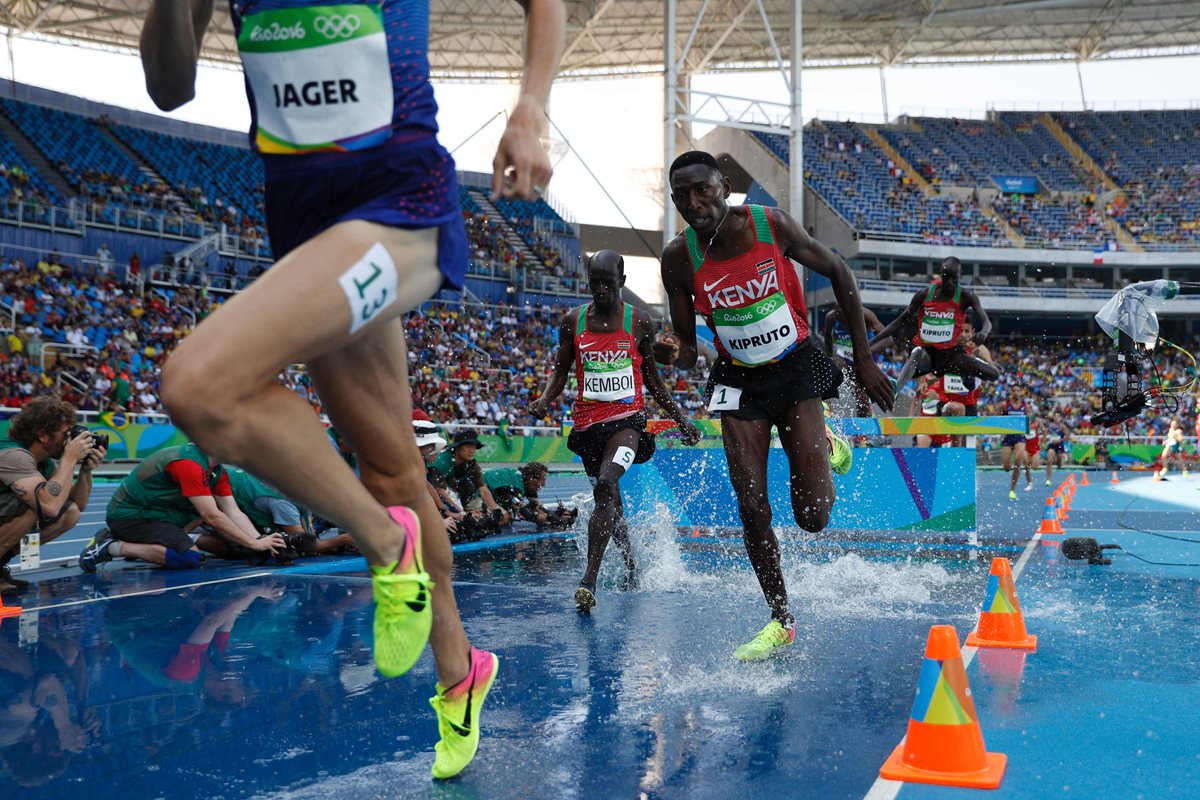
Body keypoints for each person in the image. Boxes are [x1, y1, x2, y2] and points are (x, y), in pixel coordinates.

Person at [141, 0, 564, 780]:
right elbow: (169, 88)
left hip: (401, 207)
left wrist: (531, 102)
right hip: (309, 230)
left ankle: (382, 540)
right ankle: (460, 671)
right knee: (392, 465)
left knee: (200, 387)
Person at [653, 152, 893, 661]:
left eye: (702, 190)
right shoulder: (678, 258)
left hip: (795, 365)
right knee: (750, 503)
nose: (694, 203)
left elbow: (839, 271)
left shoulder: (770, 225)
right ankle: (781, 618)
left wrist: (865, 361)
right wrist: (673, 349)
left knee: (812, 517)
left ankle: (826, 440)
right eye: (682, 196)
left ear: (724, 185)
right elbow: (689, 345)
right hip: (738, 381)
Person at [530, 250, 701, 611]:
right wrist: (545, 399)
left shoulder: (637, 322)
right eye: (595, 283)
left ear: (622, 282)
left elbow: (653, 380)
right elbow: (561, 371)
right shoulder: (572, 321)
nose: (601, 290)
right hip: (588, 426)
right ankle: (631, 563)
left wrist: (681, 418)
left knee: (607, 484)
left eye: (608, 283)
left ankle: (588, 581)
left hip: (627, 423)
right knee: (612, 505)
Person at [78, 443, 288, 572]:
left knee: (230, 542)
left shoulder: (217, 471)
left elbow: (233, 511)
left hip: (162, 516)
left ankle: (144, 545)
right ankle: (111, 546)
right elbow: (212, 516)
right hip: (132, 517)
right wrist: (253, 542)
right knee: (189, 558)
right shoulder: (189, 464)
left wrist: (261, 542)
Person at [0, 397, 106, 595]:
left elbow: (78, 504)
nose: (70, 440)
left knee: (69, 513)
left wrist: (85, 470)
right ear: (42, 435)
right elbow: (48, 505)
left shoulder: (44, 460)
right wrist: (69, 457)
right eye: (65, 434)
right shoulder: (14, 454)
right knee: (36, 506)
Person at [871, 257, 999, 412]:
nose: (950, 282)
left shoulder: (966, 296)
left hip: (952, 356)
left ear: (959, 276)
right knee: (917, 352)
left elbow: (987, 322)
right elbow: (899, 322)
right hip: (929, 356)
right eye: (946, 277)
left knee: (994, 375)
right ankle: (896, 388)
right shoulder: (924, 294)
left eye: (954, 278)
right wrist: (870, 342)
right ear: (940, 275)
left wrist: (984, 332)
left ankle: (965, 376)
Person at [822, 306, 886, 417]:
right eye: (841, 324)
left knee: (861, 397)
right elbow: (827, 336)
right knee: (831, 369)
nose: (843, 326)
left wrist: (869, 351)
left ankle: (863, 428)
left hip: (865, 358)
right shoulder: (831, 317)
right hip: (845, 356)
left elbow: (887, 338)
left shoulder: (866, 315)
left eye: (846, 324)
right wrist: (829, 357)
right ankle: (827, 411)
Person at [999, 386, 1029, 500]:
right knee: (1006, 466)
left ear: (1021, 392)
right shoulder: (1005, 405)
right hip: (1008, 437)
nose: (1016, 392)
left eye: (1018, 390)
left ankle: (1012, 489)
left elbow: (1030, 418)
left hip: (1020, 437)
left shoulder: (1026, 406)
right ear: (1011, 392)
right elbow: (998, 419)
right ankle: (1008, 467)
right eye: (1014, 390)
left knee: (1018, 461)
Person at [1044, 413, 1071, 486]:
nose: (1056, 418)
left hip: (1059, 446)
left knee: (1059, 464)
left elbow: (1068, 436)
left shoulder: (1062, 426)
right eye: (1055, 416)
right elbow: (1045, 433)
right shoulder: (1050, 426)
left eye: (1058, 416)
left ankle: (1059, 460)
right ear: (1053, 417)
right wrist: (1044, 440)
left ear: (1060, 418)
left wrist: (1060, 440)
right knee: (1049, 461)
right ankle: (1048, 480)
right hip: (1052, 445)